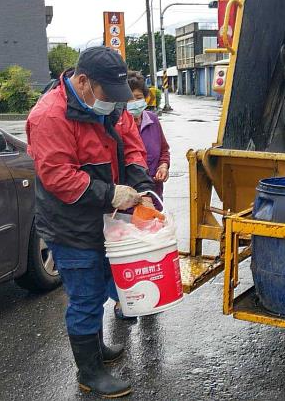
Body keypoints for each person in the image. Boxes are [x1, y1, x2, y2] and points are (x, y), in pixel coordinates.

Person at [26, 47, 156, 398]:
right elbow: (59, 178)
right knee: (84, 297)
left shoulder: (109, 102)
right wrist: (113, 194)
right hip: (70, 224)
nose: (114, 104)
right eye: (107, 95)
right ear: (82, 81)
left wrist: (141, 185)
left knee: (99, 286)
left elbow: (131, 144)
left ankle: (96, 347)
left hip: (104, 221)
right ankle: (89, 372)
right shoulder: (50, 116)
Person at [109, 72, 171, 320]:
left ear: (146, 98)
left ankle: (149, 296)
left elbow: (164, 150)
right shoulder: (114, 125)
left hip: (150, 198)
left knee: (148, 249)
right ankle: (122, 300)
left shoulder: (152, 121)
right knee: (125, 252)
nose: (134, 103)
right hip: (123, 202)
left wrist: (164, 166)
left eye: (138, 97)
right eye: (129, 99)